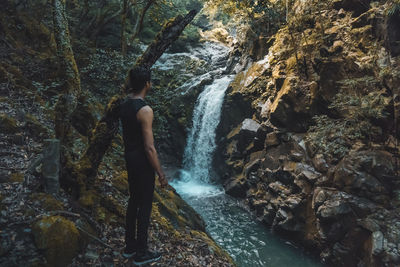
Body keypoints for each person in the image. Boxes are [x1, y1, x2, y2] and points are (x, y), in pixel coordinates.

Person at [119, 66, 168, 265]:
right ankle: (141, 253)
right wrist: (160, 173)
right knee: (145, 206)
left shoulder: (123, 105)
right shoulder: (145, 110)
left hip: (129, 157)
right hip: (142, 161)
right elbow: (149, 148)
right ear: (147, 83)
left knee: (133, 201)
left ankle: (129, 247)